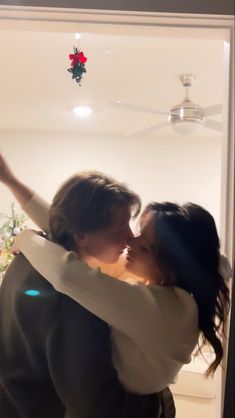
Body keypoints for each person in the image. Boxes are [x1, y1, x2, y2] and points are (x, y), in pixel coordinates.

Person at [0, 154, 175, 418]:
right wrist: (159, 401)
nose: (130, 237)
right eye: (118, 231)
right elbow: (97, 407)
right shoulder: (75, 300)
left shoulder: (26, 262)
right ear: (80, 235)